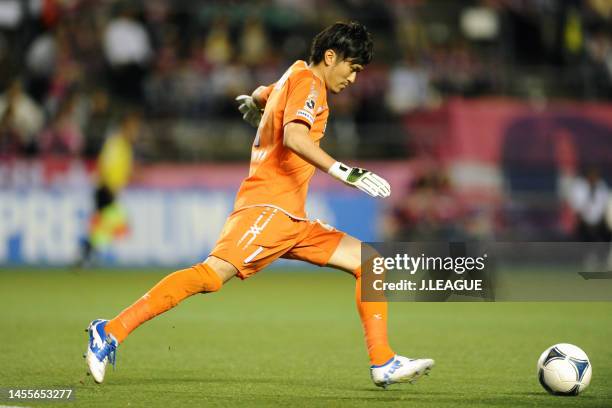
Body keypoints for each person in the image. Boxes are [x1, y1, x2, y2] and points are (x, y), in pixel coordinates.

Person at [85, 22, 434, 388]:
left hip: (291, 219)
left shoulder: (295, 73)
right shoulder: (310, 84)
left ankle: (383, 361)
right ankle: (110, 330)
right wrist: (345, 171)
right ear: (331, 57)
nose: (353, 78)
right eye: (353, 68)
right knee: (210, 276)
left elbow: (263, 92)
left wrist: (255, 104)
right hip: (267, 208)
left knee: (370, 262)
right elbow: (295, 136)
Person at [77, 110, 142, 266]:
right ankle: (87, 250)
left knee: (103, 226)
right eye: (134, 128)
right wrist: (110, 187)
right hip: (105, 190)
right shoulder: (116, 144)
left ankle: (87, 254)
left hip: (108, 190)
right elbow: (107, 166)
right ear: (125, 127)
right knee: (118, 223)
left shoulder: (123, 146)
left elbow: (120, 168)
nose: (136, 132)